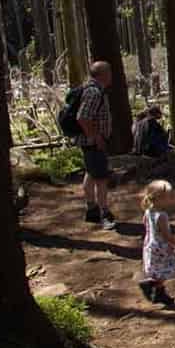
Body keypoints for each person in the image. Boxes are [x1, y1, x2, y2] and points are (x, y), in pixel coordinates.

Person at [76, 61, 118, 230]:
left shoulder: (93, 90)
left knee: (92, 174)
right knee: (101, 178)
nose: (111, 76)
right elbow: (82, 117)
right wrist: (97, 137)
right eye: (109, 72)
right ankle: (104, 213)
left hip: (90, 142)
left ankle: (91, 209)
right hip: (93, 143)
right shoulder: (94, 92)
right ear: (102, 75)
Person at [138, 179, 175, 306]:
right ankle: (150, 285)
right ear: (159, 198)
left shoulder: (148, 212)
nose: (171, 199)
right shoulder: (162, 215)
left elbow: (146, 225)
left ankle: (159, 295)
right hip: (161, 247)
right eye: (169, 196)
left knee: (158, 270)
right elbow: (166, 235)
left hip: (150, 245)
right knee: (166, 270)